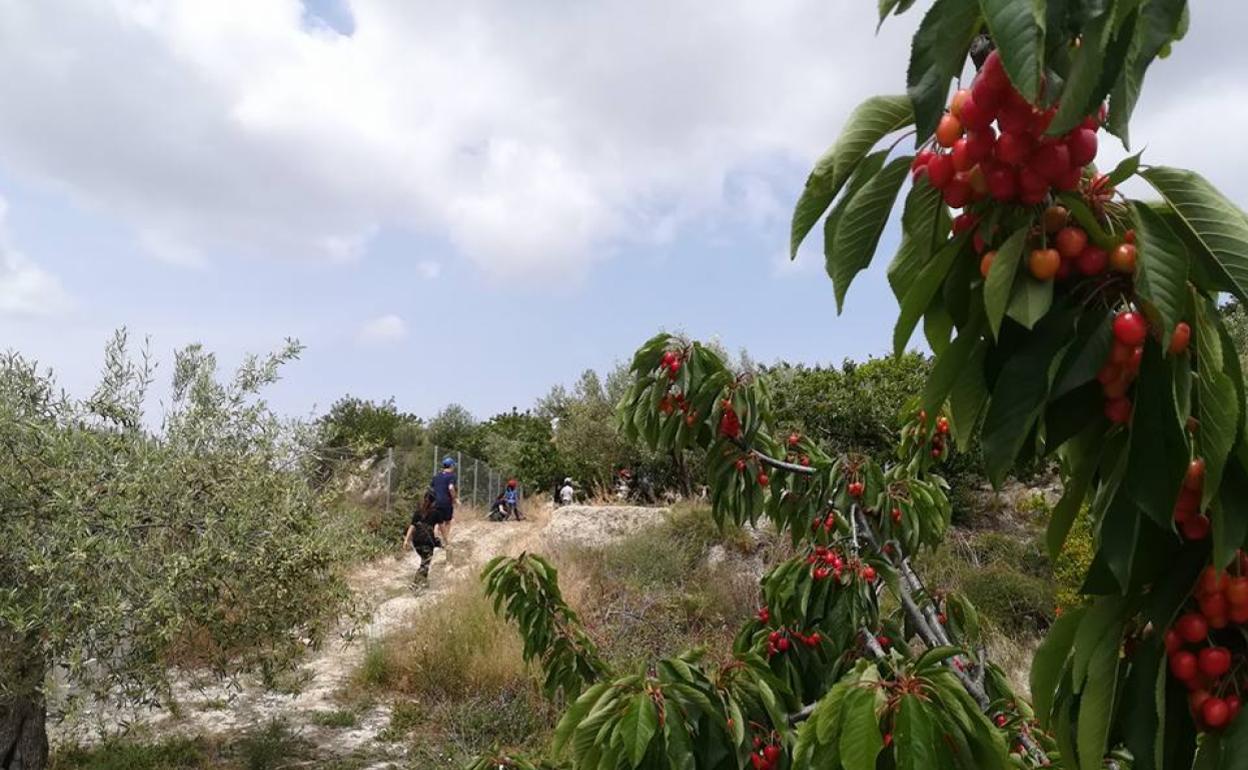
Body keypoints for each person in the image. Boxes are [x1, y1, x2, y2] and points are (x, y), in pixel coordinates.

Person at [402, 489, 443, 584]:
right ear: (434, 502)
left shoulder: (418, 512)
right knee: (425, 563)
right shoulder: (436, 513)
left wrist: (406, 541)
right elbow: (442, 528)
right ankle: (416, 583)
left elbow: (412, 527)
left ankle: (423, 582)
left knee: (424, 561)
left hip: (416, 541)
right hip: (427, 542)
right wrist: (446, 540)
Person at [430, 456, 458, 544]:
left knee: (438, 521)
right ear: (452, 466)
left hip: (436, 502)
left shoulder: (436, 476)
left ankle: (435, 538)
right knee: (448, 521)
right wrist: (454, 498)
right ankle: (445, 540)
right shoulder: (452, 476)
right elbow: (450, 487)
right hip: (446, 502)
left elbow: (431, 488)